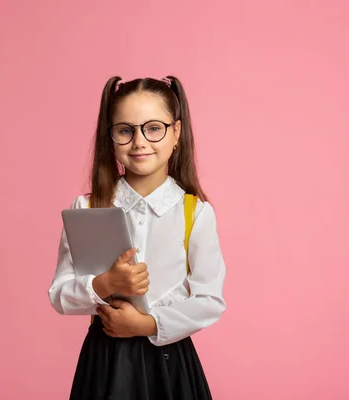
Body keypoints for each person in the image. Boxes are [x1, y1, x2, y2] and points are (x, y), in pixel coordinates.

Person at [48, 75, 227, 399]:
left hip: (171, 365)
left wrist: (145, 325)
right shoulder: (88, 208)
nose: (139, 142)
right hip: (106, 364)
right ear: (111, 136)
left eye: (153, 128)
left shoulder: (195, 213)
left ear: (176, 133)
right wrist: (106, 284)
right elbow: (59, 295)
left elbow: (209, 301)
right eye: (125, 130)